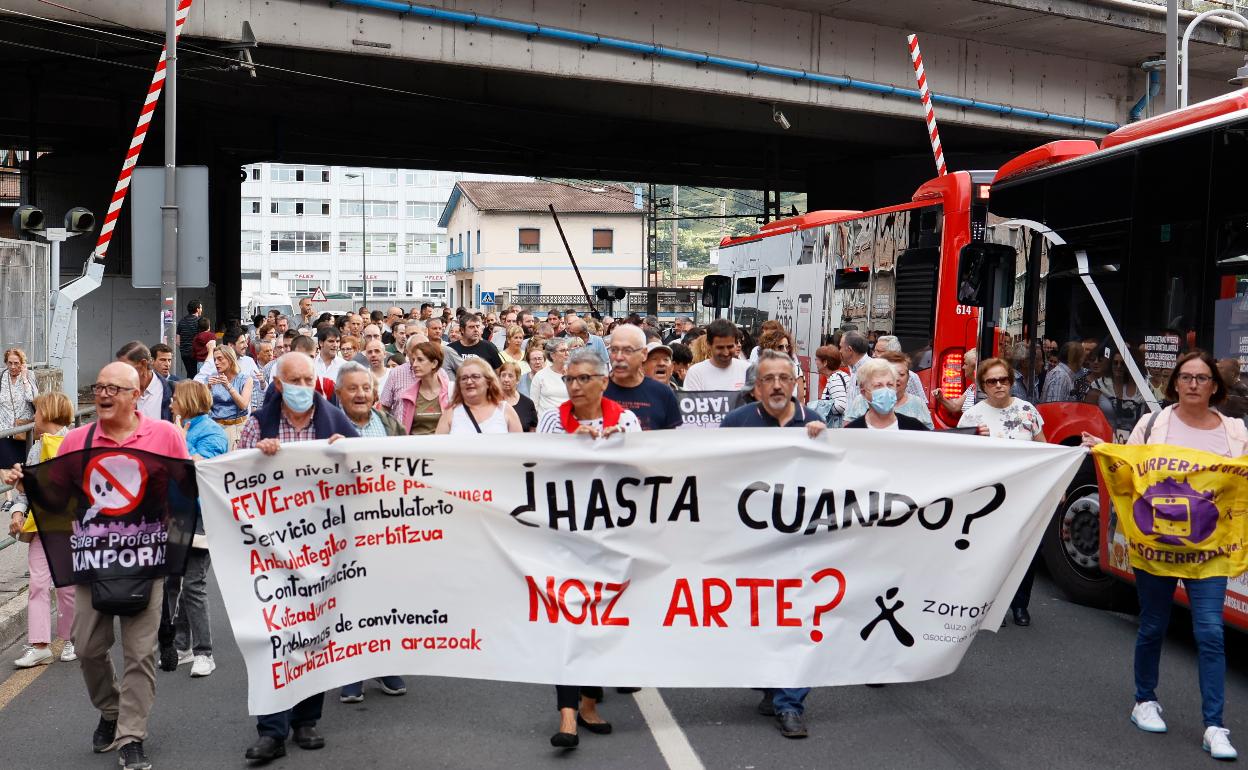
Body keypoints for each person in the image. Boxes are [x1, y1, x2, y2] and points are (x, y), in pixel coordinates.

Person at [1083, 351, 1245, 761]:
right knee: (1153, 624)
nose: (1193, 384)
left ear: (1215, 386)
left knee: (1209, 632)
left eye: (1202, 378)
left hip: (1208, 553)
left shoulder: (1235, 432)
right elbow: (1127, 465)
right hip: (1156, 550)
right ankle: (1145, 700)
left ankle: (1215, 726)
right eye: (1186, 377)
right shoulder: (1153, 424)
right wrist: (1102, 450)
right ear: (1174, 383)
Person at [58, 363, 189, 770]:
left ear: (136, 395)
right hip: (92, 560)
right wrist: (22, 485)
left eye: (114, 388)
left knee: (139, 654)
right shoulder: (77, 440)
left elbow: (186, 487)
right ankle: (111, 710)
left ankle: (131, 736)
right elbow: (55, 489)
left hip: (144, 560)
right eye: (99, 386)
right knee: (87, 649)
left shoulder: (164, 435)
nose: (103, 393)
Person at [239, 353, 358, 763]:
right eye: (295, 379)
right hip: (272, 550)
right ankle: (272, 730)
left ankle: (307, 720)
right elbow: (234, 478)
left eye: (309, 379)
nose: (303, 385)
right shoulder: (260, 423)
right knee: (275, 637)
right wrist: (256, 453)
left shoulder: (336, 422)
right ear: (278, 384)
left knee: (313, 635)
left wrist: (348, 453)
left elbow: (364, 475)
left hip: (322, 550)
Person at [718, 350, 826, 739]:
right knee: (758, 619)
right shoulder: (735, 423)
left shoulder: (812, 422)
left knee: (799, 620)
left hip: (800, 545)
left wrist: (821, 440)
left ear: (796, 382)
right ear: (756, 387)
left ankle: (790, 703)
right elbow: (718, 476)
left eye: (785, 377)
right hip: (750, 544)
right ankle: (769, 684)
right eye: (769, 379)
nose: (778, 385)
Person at [958, 357, 1045, 626]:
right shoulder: (972, 416)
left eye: (1003, 379)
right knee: (990, 553)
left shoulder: (1028, 411)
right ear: (983, 385)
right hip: (988, 498)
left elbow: (1044, 448)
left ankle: (1020, 605)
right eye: (992, 381)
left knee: (1024, 551)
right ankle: (989, 605)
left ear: (1011, 381)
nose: (999, 385)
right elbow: (959, 457)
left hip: (1024, 494)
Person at [5, 391, 76, 669]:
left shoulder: (75, 443)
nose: (33, 417)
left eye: (36, 412)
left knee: (68, 587)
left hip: (68, 527)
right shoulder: (36, 448)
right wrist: (19, 510)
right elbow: (26, 491)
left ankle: (72, 638)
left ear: (48, 413)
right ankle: (39, 646)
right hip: (41, 526)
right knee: (37, 585)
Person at [169, 380, 228, 679]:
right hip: (175, 515)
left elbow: (198, 470)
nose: (170, 403)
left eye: (175, 398)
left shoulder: (212, 432)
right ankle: (182, 646)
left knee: (194, 583)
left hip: (202, 516)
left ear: (189, 401)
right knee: (174, 583)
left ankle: (205, 652)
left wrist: (179, 443)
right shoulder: (177, 428)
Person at [537, 348, 641, 434]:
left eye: (583, 378)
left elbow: (639, 457)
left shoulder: (625, 420)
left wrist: (624, 445)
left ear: (604, 382)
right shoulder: (553, 420)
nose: (574, 387)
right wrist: (570, 442)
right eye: (569, 379)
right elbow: (539, 458)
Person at [603, 324, 680, 430]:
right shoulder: (596, 390)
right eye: (614, 350)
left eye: (628, 350)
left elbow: (671, 440)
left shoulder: (663, 393)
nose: (619, 357)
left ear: (644, 354)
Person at [844, 351, 934, 429]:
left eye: (890, 384)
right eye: (878, 385)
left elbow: (928, 438)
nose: (885, 390)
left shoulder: (915, 424)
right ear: (864, 392)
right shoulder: (855, 426)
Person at [436, 359, 522, 434]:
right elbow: (438, 448)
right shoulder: (451, 412)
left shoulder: (504, 410)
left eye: (475, 376)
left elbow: (519, 447)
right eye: (464, 378)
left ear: (488, 382)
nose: (469, 381)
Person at [393, 341, 453, 435]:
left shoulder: (451, 392)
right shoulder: (408, 395)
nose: (414, 364)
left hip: (444, 447)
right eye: (413, 360)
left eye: (420, 360)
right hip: (415, 448)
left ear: (434, 363)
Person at [205, 346, 252, 450]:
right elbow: (203, 407)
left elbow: (243, 405)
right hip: (216, 426)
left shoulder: (245, 379)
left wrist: (228, 386)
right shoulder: (211, 378)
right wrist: (207, 389)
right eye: (214, 359)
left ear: (230, 359)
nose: (216, 363)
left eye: (220, 359)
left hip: (237, 427)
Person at [683, 319, 750, 391]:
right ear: (709, 345)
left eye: (730, 347)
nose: (726, 353)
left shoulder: (748, 370)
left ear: (736, 344)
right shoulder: (696, 373)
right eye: (720, 347)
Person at [0, 347, 39, 468]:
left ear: (22, 363)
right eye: (9, 363)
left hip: (23, 429)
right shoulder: (2, 377)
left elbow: (32, 399)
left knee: (23, 466)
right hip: (4, 428)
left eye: (16, 363)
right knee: (5, 466)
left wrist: (24, 378)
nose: (12, 366)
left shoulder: (29, 376)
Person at [116, 342, 172, 423]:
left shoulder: (171, 391)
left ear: (143, 364)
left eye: (127, 368)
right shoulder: (121, 393)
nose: (122, 373)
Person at [530, 339, 572, 414]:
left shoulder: (574, 374)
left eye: (567, 350)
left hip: (569, 420)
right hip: (546, 422)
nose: (567, 353)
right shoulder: (540, 375)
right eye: (562, 350)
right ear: (552, 355)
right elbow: (533, 405)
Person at [497, 362, 538, 432]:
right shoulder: (491, 401)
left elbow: (532, 432)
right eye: (503, 375)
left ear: (518, 380)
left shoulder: (528, 404)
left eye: (510, 376)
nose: (506, 379)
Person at [176, 300, 203, 376]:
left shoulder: (182, 321)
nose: (201, 310)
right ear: (197, 309)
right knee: (197, 375)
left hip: (184, 354)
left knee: (190, 373)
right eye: (201, 308)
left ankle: (189, 387)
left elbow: (178, 341)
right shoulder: (199, 322)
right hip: (196, 354)